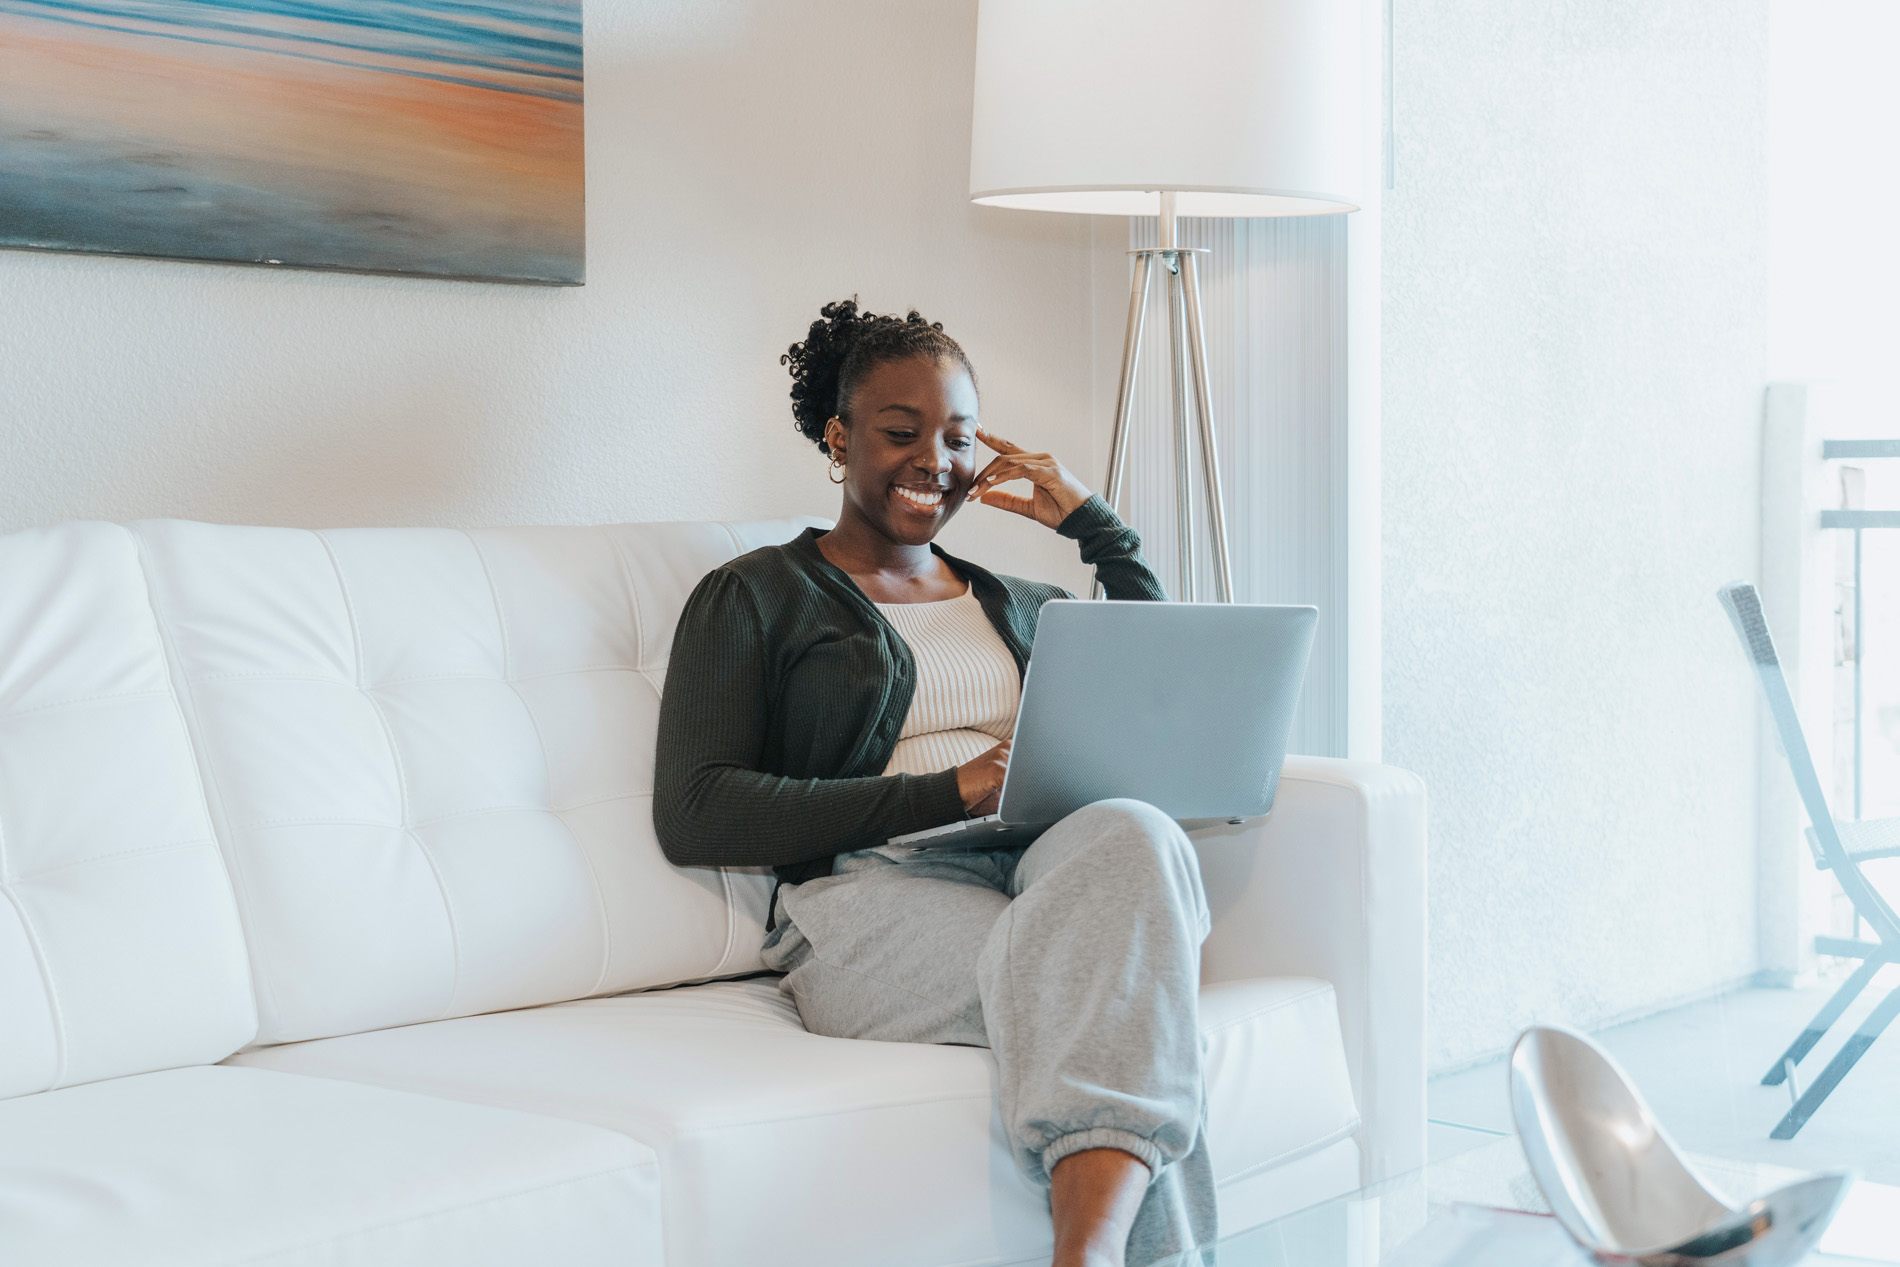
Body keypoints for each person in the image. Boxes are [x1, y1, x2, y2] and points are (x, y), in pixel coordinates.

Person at [654, 299, 1216, 1267]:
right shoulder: (755, 594)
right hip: (869, 892)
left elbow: (1156, 689)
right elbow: (698, 807)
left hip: (1040, 866)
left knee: (1133, 830)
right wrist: (945, 790)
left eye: (958, 437)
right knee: (1119, 1002)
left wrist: (1096, 529)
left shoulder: (1024, 602)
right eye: (900, 431)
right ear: (838, 436)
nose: (934, 460)